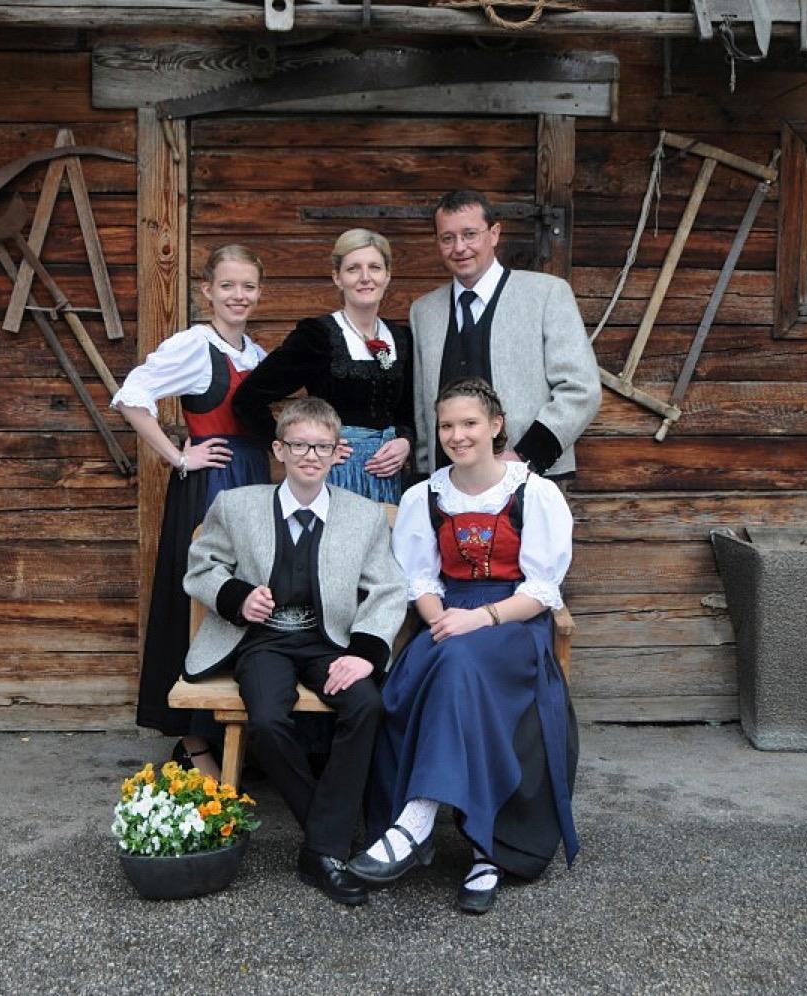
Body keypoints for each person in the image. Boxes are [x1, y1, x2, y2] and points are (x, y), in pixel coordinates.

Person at [349, 377, 578, 916]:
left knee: (458, 665)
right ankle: (477, 851)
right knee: (440, 668)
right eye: (447, 425)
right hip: (448, 619)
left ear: (495, 426)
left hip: (513, 623)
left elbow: (542, 591)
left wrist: (480, 619)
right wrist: (442, 620)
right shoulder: (424, 497)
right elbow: (421, 582)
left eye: (470, 423)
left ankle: (421, 823)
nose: (458, 435)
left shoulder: (535, 493)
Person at [184, 397, 406, 906]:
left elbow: (389, 589)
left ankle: (320, 848)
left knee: (366, 705)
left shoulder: (363, 516)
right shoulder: (237, 505)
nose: (311, 455)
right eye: (300, 445)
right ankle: (328, 838)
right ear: (279, 449)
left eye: (322, 447)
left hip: (331, 641)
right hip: (262, 642)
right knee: (266, 720)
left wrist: (365, 653)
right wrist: (237, 597)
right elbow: (201, 566)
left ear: (337, 452)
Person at [112, 245, 269, 779]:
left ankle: (234, 728)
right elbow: (132, 397)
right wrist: (179, 457)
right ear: (207, 292)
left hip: (253, 484)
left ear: (259, 293)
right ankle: (194, 738)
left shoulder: (256, 354)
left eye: (248, 286)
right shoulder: (195, 346)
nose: (238, 296)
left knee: (246, 598)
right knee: (199, 601)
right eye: (228, 286)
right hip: (211, 488)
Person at [409, 189, 600, 481]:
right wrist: (426, 476)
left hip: (531, 478)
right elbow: (423, 410)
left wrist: (526, 456)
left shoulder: (547, 294)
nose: (459, 247)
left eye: (470, 234)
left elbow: (581, 389)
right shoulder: (424, 311)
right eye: (447, 238)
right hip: (447, 484)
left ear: (494, 233)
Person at [233, 228, 413, 504]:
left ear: (387, 276)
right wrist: (307, 450)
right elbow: (248, 399)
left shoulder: (401, 337)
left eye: (375, 268)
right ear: (337, 277)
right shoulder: (317, 336)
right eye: (353, 269)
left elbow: (408, 411)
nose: (365, 277)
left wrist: (405, 441)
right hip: (334, 475)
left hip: (389, 477)